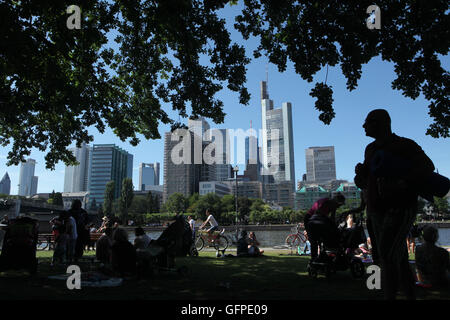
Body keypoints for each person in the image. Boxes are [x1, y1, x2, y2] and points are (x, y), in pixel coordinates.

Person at [354, 109, 435, 300]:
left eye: (368, 122)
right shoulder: (370, 149)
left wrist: (403, 181)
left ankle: (389, 296)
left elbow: (427, 167)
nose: (364, 126)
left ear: (382, 123)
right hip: (375, 210)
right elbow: (365, 181)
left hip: (399, 207)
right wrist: (360, 174)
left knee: (387, 256)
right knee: (398, 258)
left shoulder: (404, 145)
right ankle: (408, 294)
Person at [305, 193, 346, 260]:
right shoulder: (324, 202)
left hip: (319, 219)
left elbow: (332, 218)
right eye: (339, 205)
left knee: (325, 238)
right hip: (311, 218)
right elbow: (318, 214)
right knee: (313, 241)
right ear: (336, 201)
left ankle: (323, 255)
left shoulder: (333, 206)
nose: (339, 207)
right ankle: (314, 259)